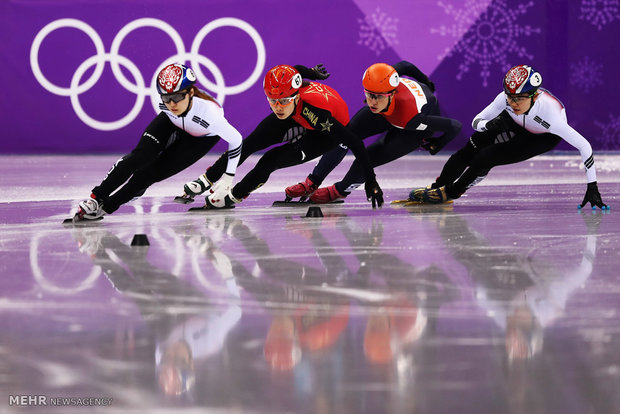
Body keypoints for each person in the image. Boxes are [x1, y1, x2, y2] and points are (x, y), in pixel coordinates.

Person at [180, 64, 384, 209]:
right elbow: (296, 70)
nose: (277, 107)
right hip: (295, 114)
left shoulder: (318, 115)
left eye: (283, 100)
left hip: (323, 132)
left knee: (271, 159)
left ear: (295, 96)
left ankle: (235, 195)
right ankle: (207, 179)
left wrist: (371, 180)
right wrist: (312, 72)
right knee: (248, 144)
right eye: (272, 100)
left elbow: (355, 142)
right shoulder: (286, 97)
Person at [409, 64, 609, 209]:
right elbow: (476, 121)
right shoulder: (506, 100)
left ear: (535, 96)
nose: (513, 103)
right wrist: (490, 125)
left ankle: (451, 193)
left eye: (519, 99)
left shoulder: (552, 116)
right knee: (469, 149)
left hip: (541, 137)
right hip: (512, 121)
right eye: (510, 97)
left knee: (486, 158)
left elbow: (584, 146)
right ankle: (437, 187)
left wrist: (592, 186)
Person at [73, 63, 243, 221]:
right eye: (166, 98)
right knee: (139, 156)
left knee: (147, 175)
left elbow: (236, 140)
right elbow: (169, 108)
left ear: (191, 92)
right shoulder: (164, 103)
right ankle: (95, 199)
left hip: (200, 138)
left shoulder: (210, 114)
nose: (171, 104)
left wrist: (228, 177)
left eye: (177, 97)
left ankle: (106, 208)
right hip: (171, 122)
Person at [283, 61, 462, 203]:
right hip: (388, 112)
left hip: (412, 128)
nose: (372, 101)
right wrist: (425, 80)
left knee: (369, 157)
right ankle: (312, 182)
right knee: (342, 136)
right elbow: (406, 65)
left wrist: (438, 143)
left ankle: (340, 190)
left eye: (377, 97)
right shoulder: (386, 77)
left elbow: (455, 126)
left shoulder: (411, 118)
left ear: (391, 94)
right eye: (369, 94)